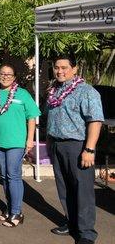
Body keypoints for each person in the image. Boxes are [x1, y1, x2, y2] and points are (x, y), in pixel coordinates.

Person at [47, 54, 103, 244]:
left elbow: (95, 121)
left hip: (77, 146)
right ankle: (71, 222)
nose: (59, 71)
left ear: (75, 69)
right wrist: (49, 144)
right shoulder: (54, 90)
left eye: (64, 67)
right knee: (64, 188)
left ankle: (86, 232)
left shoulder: (86, 91)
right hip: (56, 144)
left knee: (82, 190)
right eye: (56, 67)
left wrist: (89, 149)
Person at [0, 64, 40, 227]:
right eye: (2, 74)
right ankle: (9, 208)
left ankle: (17, 212)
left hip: (16, 142)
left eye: (9, 74)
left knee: (13, 175)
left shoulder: (23, 94)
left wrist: (30, 140)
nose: (5, 76)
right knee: (4, 176)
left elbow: (32, 117)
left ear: (15, 77)